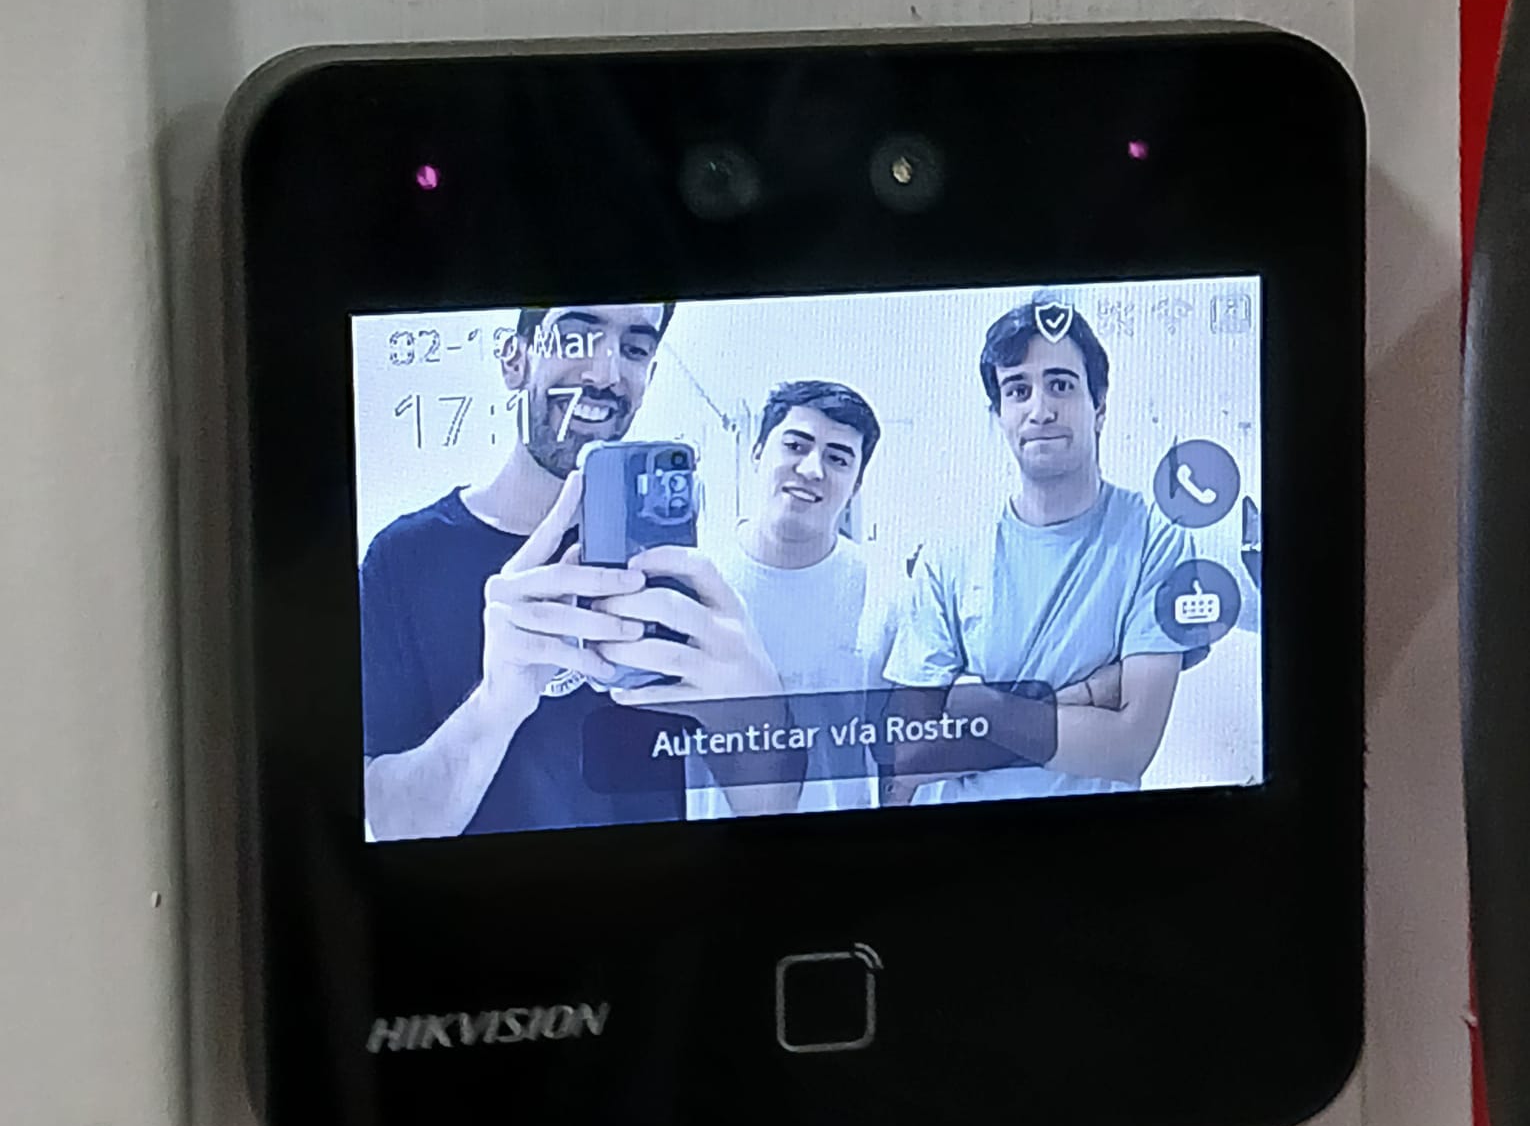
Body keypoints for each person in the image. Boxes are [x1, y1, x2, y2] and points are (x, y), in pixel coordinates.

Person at [360, 303, 787, 840]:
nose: (605, 373)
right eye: (576, 338)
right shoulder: (403, 558)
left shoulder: (678, 571)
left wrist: (756, 719)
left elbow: (773, 803)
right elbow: (393, 825)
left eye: (634, 348)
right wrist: (494, 706)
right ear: (514, 360)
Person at [883, 300, 1194, 804]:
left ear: (1099, 406)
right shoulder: (949, 554)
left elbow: (1128, 747)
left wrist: (978, 705)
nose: (1040, 410)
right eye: (1017, 390)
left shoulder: (1156, 539)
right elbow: (912, 754)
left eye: (1061, 385)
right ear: (999, 414)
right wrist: (1084, 698)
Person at [689, 380, 894, 816]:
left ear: (857, 484)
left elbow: (896, 747)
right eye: (796, 446)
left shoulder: (883, 591)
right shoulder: (698, 578)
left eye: (838, 458)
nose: (812, 469)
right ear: (757, 452)